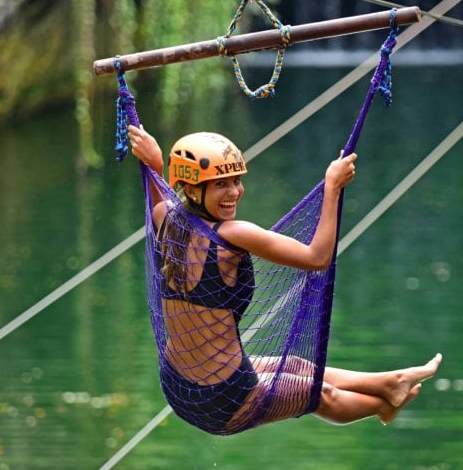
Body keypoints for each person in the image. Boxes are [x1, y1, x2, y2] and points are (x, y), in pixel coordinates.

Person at [128, 122, 443, 433]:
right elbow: (316, 258)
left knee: (295, 366)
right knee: (319, 394)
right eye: (221, 184)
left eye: (237, 181)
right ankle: (383, 405)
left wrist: (154, 162)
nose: (234, 192)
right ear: (193, 188)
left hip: (178, 385)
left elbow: (160, 190)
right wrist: (332, 188)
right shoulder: (234, 235)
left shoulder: (166, 219)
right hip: (226, 398)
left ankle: (390, 383)